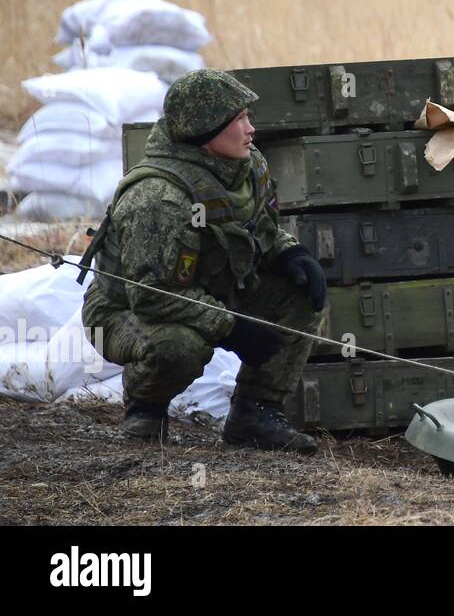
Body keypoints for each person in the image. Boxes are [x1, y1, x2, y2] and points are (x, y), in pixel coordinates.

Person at [81, 68, 326, 453]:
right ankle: (145, 411)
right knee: (180, 346)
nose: (251, 129)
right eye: (239, 120)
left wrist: (289, 252)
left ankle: (255, 415)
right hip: (125, 310)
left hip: (213, 289)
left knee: (299, 296)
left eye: (248, 116)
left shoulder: (247, 168)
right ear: (205, 132)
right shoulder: (159, 198)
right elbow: (153, 296)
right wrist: (233, 329)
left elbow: (258, 229)